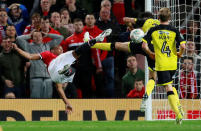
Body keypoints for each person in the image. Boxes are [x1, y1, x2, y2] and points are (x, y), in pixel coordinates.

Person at [13, 28, 112, 113]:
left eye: (61, 48)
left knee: (76, 54)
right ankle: (90, 42)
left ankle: (96, 39)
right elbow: (29, 56)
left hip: (58, 72)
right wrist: (17, 49)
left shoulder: (64, 58)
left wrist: (67, 103)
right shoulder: (47, 54)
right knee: (73, 56)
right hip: (54, 67)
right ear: (53, 51)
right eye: (58, 48)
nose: (60, 49)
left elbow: (60, 90)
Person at [142, 8, 186, 124]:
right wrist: (180, 54)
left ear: (158, 18)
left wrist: (151, 53)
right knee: (170, 85)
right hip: (173, 63)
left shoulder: (153, 30)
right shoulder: (174, 30)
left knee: (167, 88)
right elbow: (183, 46)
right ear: (170, 18)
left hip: (162, 64)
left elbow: (144, 46)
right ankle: (178, 106)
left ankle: (178, 114)